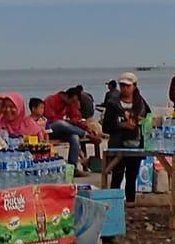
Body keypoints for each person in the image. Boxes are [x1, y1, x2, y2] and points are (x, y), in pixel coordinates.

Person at [101, 73, 149, 204]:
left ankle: (130, 202)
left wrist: (141, 121)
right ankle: (113, 202)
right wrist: (122, 125)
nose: (124, 89)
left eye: (127, 86)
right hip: (118, 144)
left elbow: (149, 121)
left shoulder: (141, 103)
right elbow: (106, 127)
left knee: (132, 175)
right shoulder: (113, 104)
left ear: (134, 86)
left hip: (136, 144)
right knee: (117, 174)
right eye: (122, 85)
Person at [42, 88, 93, 167]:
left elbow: (76, 117)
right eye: (72, 101)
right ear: (66, 97)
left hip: (63, 130)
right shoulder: (51, 100)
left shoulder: (69, 105)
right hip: (49, 129)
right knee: (61, 123)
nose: (73, 104)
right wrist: (67, 121)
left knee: (74, 137)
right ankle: (83, 134)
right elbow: (51, 119)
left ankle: (72, 167)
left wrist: (85, 127)